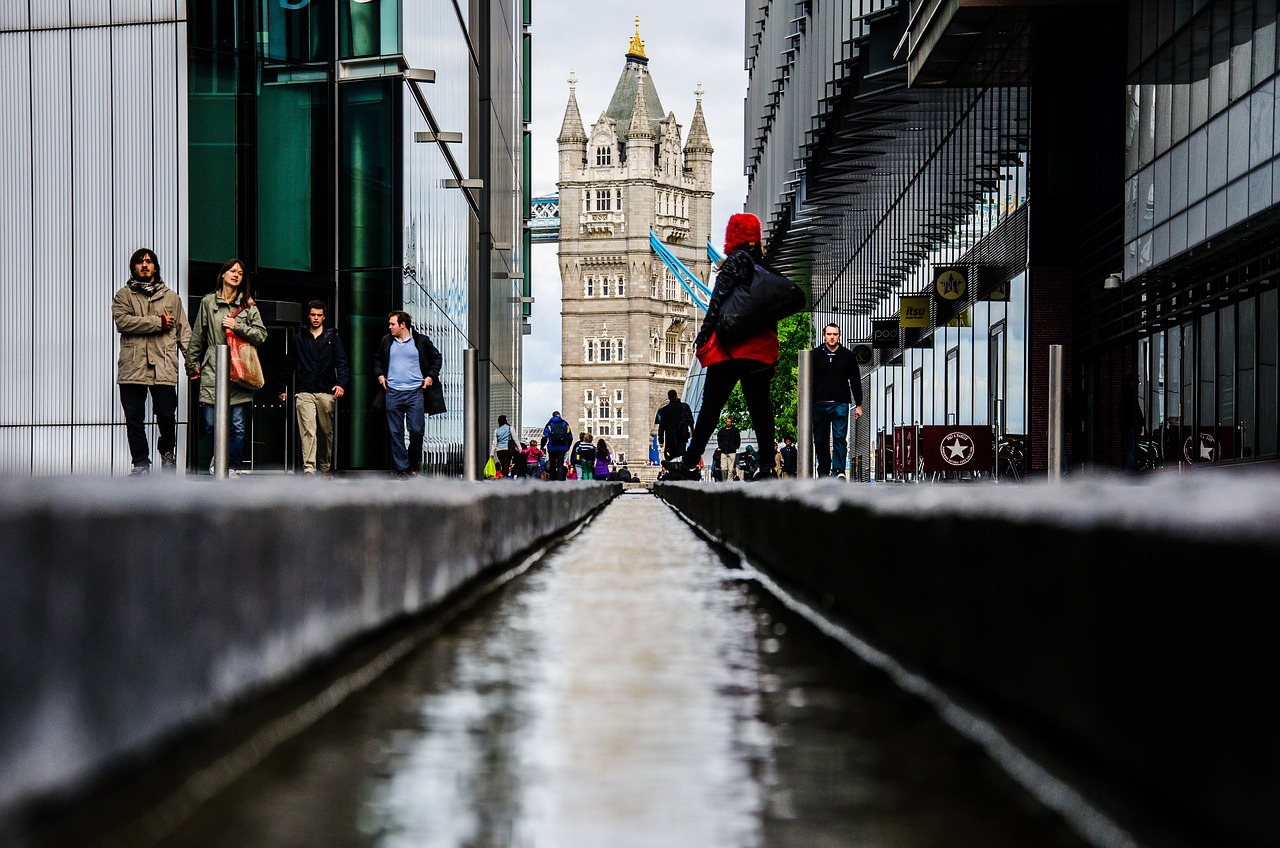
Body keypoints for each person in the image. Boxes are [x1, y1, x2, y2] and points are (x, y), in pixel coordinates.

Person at [664, 213, 779, 481]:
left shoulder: (730, 266)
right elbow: (772, 313)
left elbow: (715, 305)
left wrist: (702, 338)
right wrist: (772, 356)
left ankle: (691, 462)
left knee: (710, 409)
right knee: (761, 409)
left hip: (729, 350)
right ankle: (766, 468)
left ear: (732, 237)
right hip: (759, 350)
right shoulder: (767, 268)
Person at [113, 248, 191, 475]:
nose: (144, 265)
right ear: (133, 268)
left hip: (164, 364)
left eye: (148, 261)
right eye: (139, 262)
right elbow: (123, 323)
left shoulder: (171, 297)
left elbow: (183, 331)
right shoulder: (123, 295)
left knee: (166, 414)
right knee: (134, 418)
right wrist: (158, 322)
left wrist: (192, 363)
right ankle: (141, 463)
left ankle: (167, 453)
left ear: (155, 266)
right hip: (133, 366)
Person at [187, 259, 267, 475]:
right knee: (212, 423)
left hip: (239, 371)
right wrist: (191, 364)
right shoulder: (208, 302)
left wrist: (237, 325)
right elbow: (197, 337)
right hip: (214, 367)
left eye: (240, 273)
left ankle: (230, 466)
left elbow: (261, 335)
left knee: (237, 426)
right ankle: (218, 459)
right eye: (232, 271)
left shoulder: (248, 305)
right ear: (222, 275)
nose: (236, 274)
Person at [277, 300, 349, 477]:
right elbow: (289, 364)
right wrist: (281, 388)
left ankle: (325, 466)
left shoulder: (333, 338)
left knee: (325, 432)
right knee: (308, 430)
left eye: (319, 315)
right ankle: (309, 468)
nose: (316, 318)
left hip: (326, 391)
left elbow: (342, 363)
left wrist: (341, 384)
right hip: (305, 391)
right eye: (313, 315)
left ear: (324, 317)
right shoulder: (299, 338)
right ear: (308, 316)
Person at [374, 310, 444, 479]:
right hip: (393, 393)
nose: (389, 327)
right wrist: (380, 375)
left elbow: (437, 358)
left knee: (416, 430)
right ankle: (403, 470)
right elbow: (377, 359)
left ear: (402, 325)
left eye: (392, 324)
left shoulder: (421, 341)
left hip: (415, 393)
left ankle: (413, 463)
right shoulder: (386, 341)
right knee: (396, 433)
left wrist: (430, 377)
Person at [811, 323, 863, 478]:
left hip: (840, 403)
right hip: (819, 403)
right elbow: (808, 380)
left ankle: (839, 470)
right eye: (829, 334)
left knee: (840, 437)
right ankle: (823, 471)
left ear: (839, 336)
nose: (832, 337)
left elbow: (855, 380)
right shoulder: (815, 355)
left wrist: (858, 404)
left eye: (835, 334)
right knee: (820, 440)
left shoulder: (847, 356)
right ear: (824, 335)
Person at [656, 389, 694, 463]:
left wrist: (661, 440)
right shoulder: (685, 407)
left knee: (671, 459)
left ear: (669, 397)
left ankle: (673, 473)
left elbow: (662, 426)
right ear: (676, 395)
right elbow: (691, 421)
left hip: (670, 438)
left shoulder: (665, 410)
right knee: (681, 457)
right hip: (682, 437)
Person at [541, 411, 573, 480]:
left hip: (552, 447)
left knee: (552, 464)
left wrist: (542, 446)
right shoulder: (565, 423)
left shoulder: (550, 424)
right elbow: (570, 437)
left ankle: (553, 479)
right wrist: (568, 447)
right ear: (559, 415)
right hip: (562, 447)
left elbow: (544, 436)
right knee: (560, 464)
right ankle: (560, 479)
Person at [716, 416, 742, 481]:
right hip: (723, 451)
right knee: (723, 468)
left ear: (731, 422)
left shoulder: (735, 431)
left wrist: (735, 447)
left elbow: (738, 440)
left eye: (729, 422)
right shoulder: (722, 430)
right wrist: (721, 446)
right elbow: (719, 439)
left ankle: (729, 482)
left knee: (730, 469)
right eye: (727, 421)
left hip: (732, 451)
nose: (728, 423)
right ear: (725, 421)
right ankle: (724, 480)